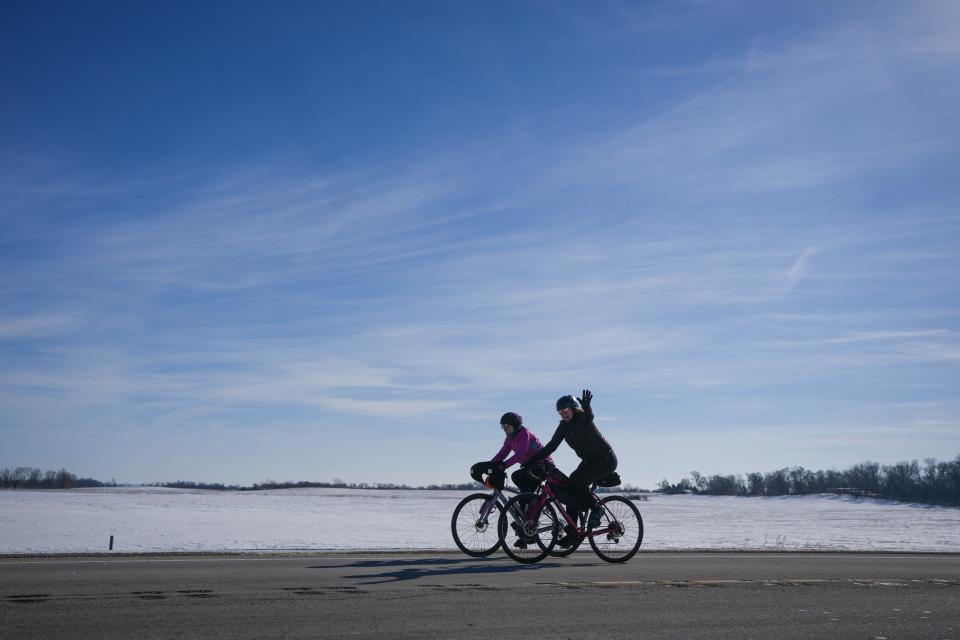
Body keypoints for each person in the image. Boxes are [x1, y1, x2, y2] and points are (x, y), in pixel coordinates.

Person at [524, 389, 617, 546]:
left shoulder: (582, 418)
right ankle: (573, 533)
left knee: (578, 483)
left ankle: (596, 509)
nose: (563, 414)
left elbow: (589, 416)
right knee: (569, 489)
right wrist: (532, 460)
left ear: (573, 409)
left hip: (605, 459)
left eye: (566, 410)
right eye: (560, 412)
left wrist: (587, 406)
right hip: (589, 461)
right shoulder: (564, 427)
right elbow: (551, 446)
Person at [469, 412, 553, 493]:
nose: (505, 429)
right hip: (530, 465)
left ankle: (529, 501)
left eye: (507, 426)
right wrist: (491, 464)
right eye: (503, 426)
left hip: (543, 465)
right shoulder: (510, 438)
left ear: (515, 425)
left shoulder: (524, 434)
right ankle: (528, 503)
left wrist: (503, 465)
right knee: (522, 489)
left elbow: (520, 455)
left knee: (516, 477)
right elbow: (502, 454)